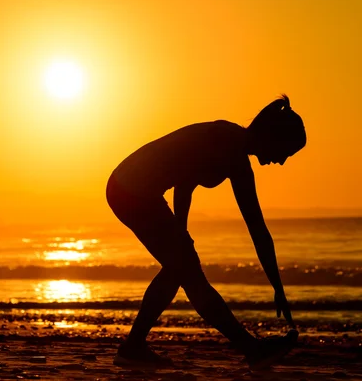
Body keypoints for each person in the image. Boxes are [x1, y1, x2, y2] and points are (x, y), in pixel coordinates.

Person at [106, 95, 306, 369]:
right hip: (129, 189)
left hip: (136, 191)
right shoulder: (224, 140)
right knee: (185, 268)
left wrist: (277, 287)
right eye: (286, 152)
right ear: (274, 137)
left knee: (181, 267)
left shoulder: (239, 160)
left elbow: (257, 228)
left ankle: (134, 347)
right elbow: (184, 183)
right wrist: (180, 233)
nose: (282, 161)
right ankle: (251, 349)